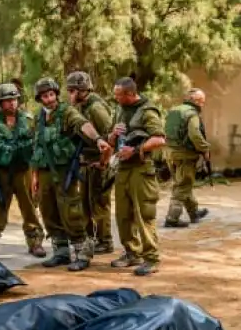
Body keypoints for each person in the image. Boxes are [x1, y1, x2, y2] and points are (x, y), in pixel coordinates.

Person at [31, 77, 113, 271]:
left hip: (64, 170)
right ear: (39, 98)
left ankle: (82, 253)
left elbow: (82, 124)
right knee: (48, 211)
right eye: (45, 96)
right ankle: (61, 253)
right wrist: (34, 176)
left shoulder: (67, 111)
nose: (49, 99)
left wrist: (98, 139)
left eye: (51, 94)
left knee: (71, 211)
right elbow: (36, 146)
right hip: (44, 171)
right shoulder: (38, 117)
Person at [107, 77, 168, 276]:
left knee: (144, 215)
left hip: (141, 169)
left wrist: (135, 150)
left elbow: (159, 139)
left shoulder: (148, 111)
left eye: (119, 95)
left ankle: (151, 258)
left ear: (131, 94)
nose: (116, 98)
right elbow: (110, 140)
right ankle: (131, 253)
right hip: (123, 169)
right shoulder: (120, 110)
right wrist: (113, 134)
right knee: (123, 215)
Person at [0, 83, 47, 259]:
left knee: (30, 208)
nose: (12, 103)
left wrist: (35, 176)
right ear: (0, 103)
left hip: (24, 172)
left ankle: (35, 242)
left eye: (14, 99)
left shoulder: (29, 121)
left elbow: (38, 149)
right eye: (7, 100)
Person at [65, 70, 114, 254]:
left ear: (81, 90)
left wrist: (103, 163)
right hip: (86, 162)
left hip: (98, 162)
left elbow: (110, 139)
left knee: (99, 203)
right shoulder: (82, 106)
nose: (69, 94)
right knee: (85, 203)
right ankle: (91, 238)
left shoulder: (96, 108)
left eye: (72, 90)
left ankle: (105, 240)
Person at [164, 88, 211, 227]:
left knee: (184, 184)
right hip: (185, 155)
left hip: (170, 153)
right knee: (183, 185)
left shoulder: (174, 111)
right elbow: (195, 135)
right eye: (202, 102)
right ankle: (172, 218)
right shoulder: (192, 114)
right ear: (196, 101)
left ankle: (194, 212)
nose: (202, 105)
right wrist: (205, 149)